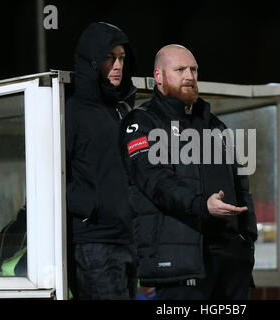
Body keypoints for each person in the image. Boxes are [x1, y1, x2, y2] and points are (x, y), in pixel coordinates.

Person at [122, 44, 257, 300]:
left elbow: (241, 184)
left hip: (231, 263)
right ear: (159, 76)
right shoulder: (142, 123)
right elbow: (155, 182)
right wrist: (202, 205)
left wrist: (246, 242)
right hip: (181, 264)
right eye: (180, 69)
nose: (189, 76)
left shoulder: (215, 125)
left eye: (193, 69)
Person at [65, 22, 137, 300]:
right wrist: (90, 207)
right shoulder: (73, 111)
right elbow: (50, 173)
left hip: (126, 240)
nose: (118, 65)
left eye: (122, 58)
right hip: (93, 241)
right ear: (93, 60)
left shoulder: (121, 111)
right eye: (110, 57)